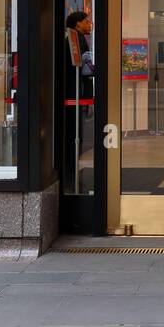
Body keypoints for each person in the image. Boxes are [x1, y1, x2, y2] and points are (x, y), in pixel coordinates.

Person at [63, 10, 94, 192]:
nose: (89, 24)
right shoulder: (77, 40)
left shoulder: (73, 38)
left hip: (75, 92)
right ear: (77, 24)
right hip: (76, 94)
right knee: (75, 135)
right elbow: (86, 68)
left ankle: (71, 173)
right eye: (86, 21)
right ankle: (71, 175)